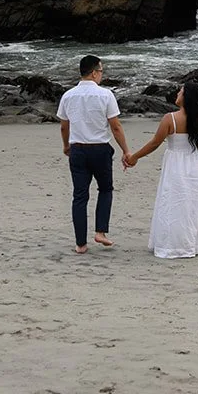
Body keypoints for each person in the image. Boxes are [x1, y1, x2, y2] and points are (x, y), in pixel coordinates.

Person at [125, 82, 198, 258]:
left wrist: (134, 157)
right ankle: (195, 243)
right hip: (197, 162)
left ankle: (173, 244)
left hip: (176, 163)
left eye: (180, 92)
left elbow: (155, 143)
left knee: (173, 201)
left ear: (186, 97)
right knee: (194, 202)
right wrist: (194, 156)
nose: (177, 94)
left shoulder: (170, 118)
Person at [57, 54, 133, 254]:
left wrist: (66, 146)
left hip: (78, 149)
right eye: (100, 71)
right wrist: (126, 150)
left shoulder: (68, 95)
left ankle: (80, 243)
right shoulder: (105, 95)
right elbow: (115, 127)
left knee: (80, 196)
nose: (101, 75)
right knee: (106, 189)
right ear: (93, 73)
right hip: (99, 148)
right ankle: (100, 232)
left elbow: (64, 126)